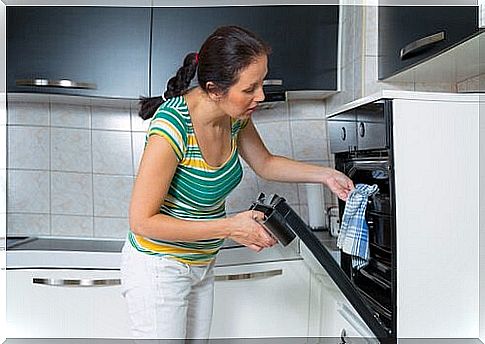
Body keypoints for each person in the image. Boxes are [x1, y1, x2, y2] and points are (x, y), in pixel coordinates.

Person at [120, 25, 354, 339]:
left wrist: (325, 175)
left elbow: (266, 163)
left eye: (261, 83)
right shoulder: (172, 128)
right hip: (159, 268)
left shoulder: (235, 117)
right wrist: (231, 227)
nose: (260, 96)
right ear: (215, 89)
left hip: (201, 264)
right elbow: (142, 221)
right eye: (249, 88)